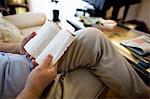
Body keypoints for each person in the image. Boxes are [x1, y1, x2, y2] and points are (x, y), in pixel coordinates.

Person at [0, 27, 149, 99]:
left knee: (92, 39)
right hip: (31, 89)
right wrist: (33, 89)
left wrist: (17, 47)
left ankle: (142, 94)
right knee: (99, 71)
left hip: (25, 61)